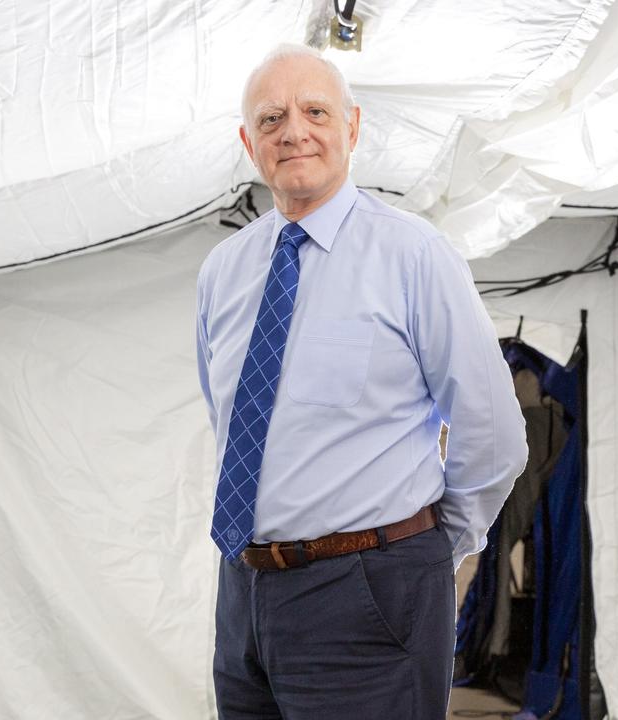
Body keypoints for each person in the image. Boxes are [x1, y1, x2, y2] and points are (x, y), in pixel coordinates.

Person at [195, 43, 527, 719]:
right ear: (246, 141)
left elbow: (491, 435)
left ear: (352, 127)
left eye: (315, 110)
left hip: (372, 590)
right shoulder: (222, 272)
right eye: (270, 118)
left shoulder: (415, 255)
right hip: (244, 593)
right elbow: (231, 423)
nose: (294, 130)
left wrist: (425, 552)